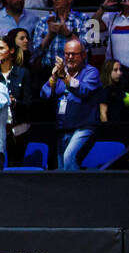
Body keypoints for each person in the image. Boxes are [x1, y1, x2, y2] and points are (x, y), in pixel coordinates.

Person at [41, 39, 103, 170]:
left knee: (69, 157)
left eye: (74, 54)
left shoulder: (91, 72)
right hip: (63, 127)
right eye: (67, 54)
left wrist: (64, 77)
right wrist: (53, 78)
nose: (70, 57)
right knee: (62, 166)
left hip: (83, 126)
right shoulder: (60, 73)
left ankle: (76, 189)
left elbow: (83, 90)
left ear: (83, 55)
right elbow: (45, 93)